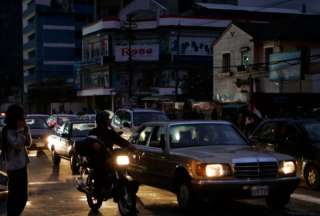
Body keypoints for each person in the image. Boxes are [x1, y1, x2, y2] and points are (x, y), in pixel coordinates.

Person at [88, 111, 134, 194]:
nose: (109, 121)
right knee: (100, 169)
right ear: (103, 120)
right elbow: (90, 141)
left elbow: (119, 140)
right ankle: (97, 190)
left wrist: (130, 146)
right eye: (108, 119)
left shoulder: (110, 132)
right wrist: (94, 145)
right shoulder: (94, 132)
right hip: (98, 157)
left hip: (109, 156)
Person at [1, 104, 31, 216]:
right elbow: (17, 145)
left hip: (22, 166)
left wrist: (26, 131)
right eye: (21, 117)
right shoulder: (7, 131)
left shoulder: (21, 128)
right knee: (15, 197)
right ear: (15, 118)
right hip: (13, 169)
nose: (23, 119)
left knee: (23, 197)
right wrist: (20, 131)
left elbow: (28, 143)